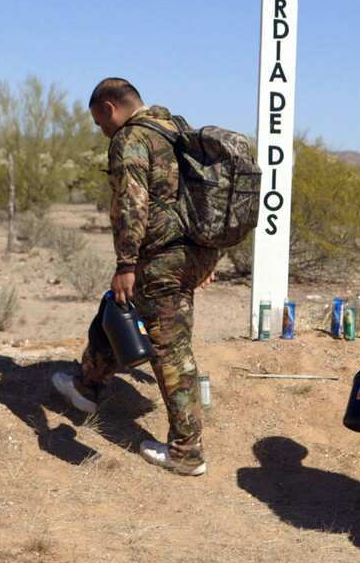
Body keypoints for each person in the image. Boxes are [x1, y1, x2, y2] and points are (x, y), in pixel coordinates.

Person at [52, 77, 220, 476]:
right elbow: (208, 199)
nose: (102, 131)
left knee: (170, 349)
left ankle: (186, 452)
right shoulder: (177, 129)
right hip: (191, 251)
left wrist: (125, 264)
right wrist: (207, 256)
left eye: (100, 122)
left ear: (109, 107)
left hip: (160, 257)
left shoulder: (131, 138)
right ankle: (86, 386)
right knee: (118, 308)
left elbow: (132, 203)